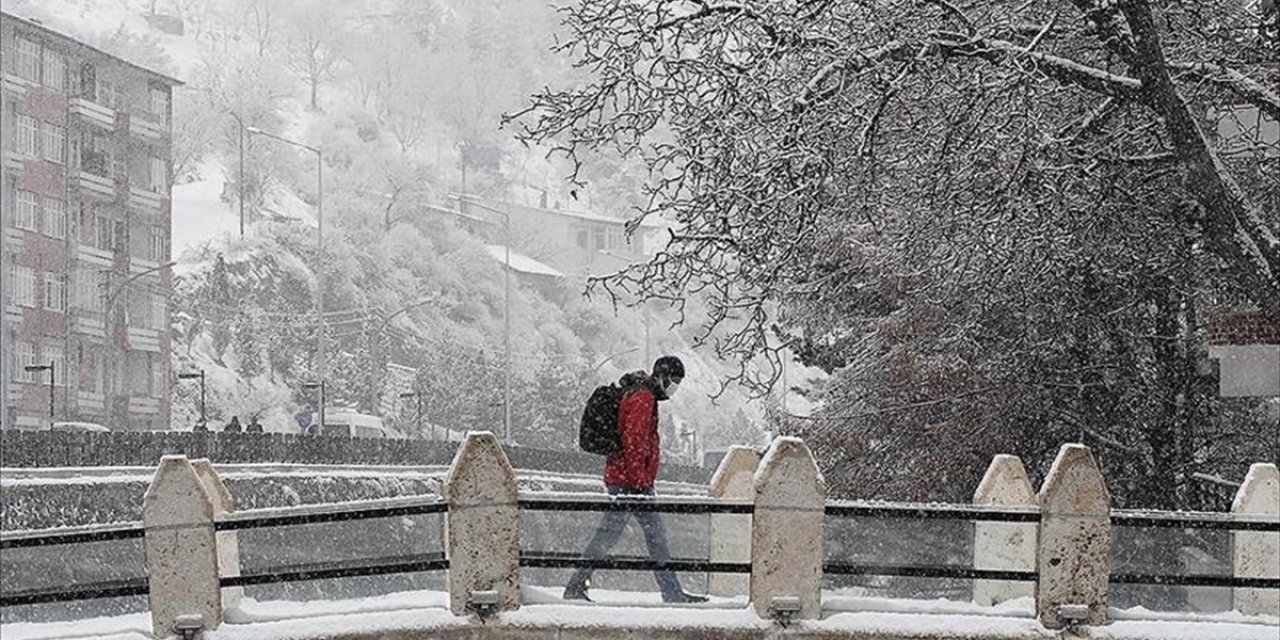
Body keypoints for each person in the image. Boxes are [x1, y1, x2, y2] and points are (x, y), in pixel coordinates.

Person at [563, 356, 707, 604]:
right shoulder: (643, 397)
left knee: (622, 536)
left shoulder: (641, 393)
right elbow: (634, 441)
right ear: (661, 376)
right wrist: (639, 481)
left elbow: (636, 442)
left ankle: (670, 591)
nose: (675, 386)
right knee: (641, 537)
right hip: (630, 482)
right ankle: (670, 592)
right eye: (673, 380)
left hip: (629, 480)